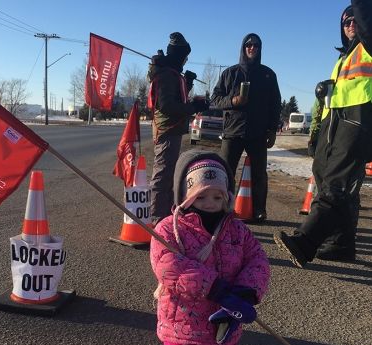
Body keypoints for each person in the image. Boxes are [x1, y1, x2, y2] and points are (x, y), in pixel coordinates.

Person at [150, 149, 270, 345]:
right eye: (201, 197)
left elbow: (258, 261)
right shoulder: (169, 229)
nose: (210, 204)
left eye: (218, 197)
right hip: (183, 323)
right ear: (186, 196)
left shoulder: (237, 231)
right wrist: (212, 287)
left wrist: (245, 290)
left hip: (224, 322)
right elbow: (168, 265)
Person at [275, 0, 372, 266]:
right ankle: (340, 245)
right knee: (331, 180)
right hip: (337, 123)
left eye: (355, 19)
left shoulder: (368, 46)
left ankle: (306, 242)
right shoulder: (344, 57)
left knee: (336, 184)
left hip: (360, 119)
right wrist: (318, 134)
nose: (351, 24)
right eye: (346, 21)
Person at [211, 33, 281, 223]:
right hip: (232, 132)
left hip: (257, 134)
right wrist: (233, 101)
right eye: (248, 45)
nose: (252, 48)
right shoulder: (230, 73)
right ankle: (223, 208)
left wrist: (272, 129)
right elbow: (215, 100)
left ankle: (259, 210)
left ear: (259, 49)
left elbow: (275, 104)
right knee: (225, 172)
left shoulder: (268, 74)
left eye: (256, 45)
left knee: (259, 174)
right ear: (243, 48)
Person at [148, 32, 209, 226]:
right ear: (178, 55)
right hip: (167, 129)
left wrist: (188, 82)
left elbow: (178, 97)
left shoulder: (171, 72)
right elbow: (167, 106)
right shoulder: (166, 73)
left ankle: (165, 216)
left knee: (168, 174)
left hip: (172, 129)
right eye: (185, 56)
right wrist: (194, 108)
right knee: (163, 175)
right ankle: (157, 219)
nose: (185, 60)